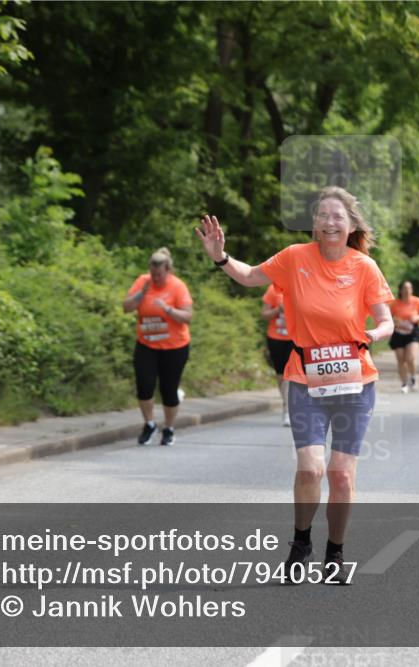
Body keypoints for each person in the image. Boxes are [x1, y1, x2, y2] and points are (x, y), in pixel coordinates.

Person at [196, 186, 394, 585]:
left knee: (340, 474)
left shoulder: (364, 267)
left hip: (354, 381)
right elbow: (251, 276)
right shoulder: (294, 258)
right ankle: (301, 541)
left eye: (338, 216)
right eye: (323, 215)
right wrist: (220, 257)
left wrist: (373, 335)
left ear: (351, 224)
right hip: (305, 378)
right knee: (310, 469)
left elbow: (387, 320)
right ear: (314, 224)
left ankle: (335, 552)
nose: (330, 222)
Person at [122, 248, 193, 447]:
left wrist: (168, 309)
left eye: (160, 274)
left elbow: (188, 316)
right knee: (144, 385)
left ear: (168, 270)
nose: (156, 278)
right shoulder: (143, 282)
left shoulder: (178, 287)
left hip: (175, 347)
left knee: (168, 390)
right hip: (147, 345)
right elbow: (126, 307)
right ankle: (149, 424)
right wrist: (142, 293)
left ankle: (168, 428)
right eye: (153, 274)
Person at [262, 284, 294, 426]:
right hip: (275, 338)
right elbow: (264, 314)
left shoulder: (301, 286)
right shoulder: (272, 290)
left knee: (289, 375)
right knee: (281, 376)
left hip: (295, 339)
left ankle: (287, 410)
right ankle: (286, 403)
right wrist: (278, 310)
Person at [389, 281, 419, 393]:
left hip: (413, 332)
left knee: (410, 357)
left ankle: (413, 377)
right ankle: (404, 383)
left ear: (412, 290)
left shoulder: (417, 301)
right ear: (400, 290)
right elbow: (389, 317)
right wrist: (395, 321)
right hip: (399, 333)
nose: (407, 290)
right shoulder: (395, 303)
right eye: (405, 288)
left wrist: (416, 317)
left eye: (409, 288)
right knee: (400, 359)